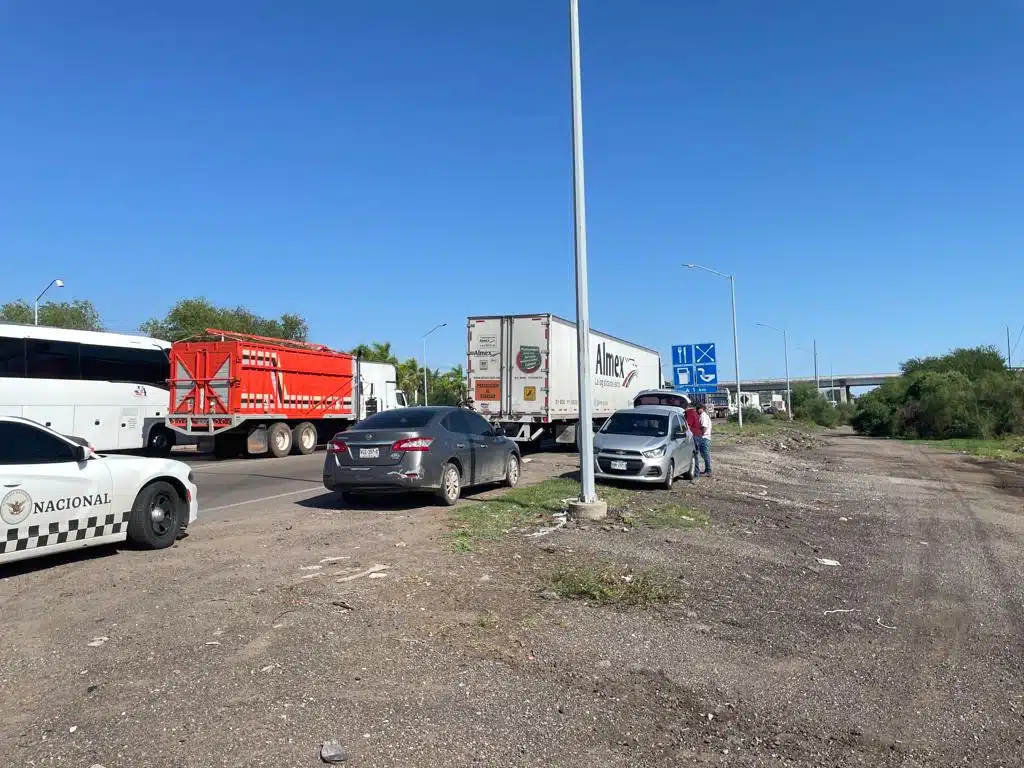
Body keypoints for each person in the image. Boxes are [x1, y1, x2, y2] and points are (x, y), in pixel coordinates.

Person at [695, 403, 713, 476]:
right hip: (705, 437)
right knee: (704, 454)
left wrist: (700, 434)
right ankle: (707, 470)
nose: (696, 410)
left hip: (704, 438)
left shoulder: (703, 416)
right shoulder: (704, 416)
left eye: (698, 409)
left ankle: (708, 471)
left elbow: (704, 427)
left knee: (705, 454)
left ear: (702, 408)